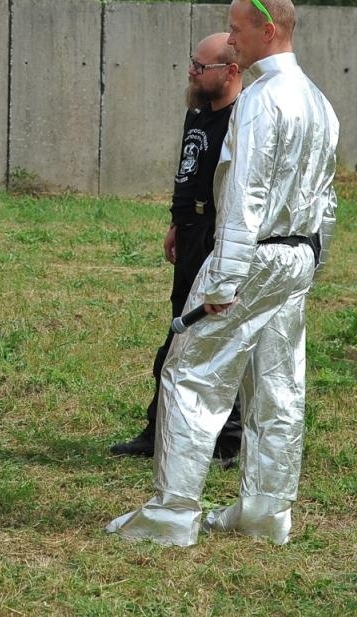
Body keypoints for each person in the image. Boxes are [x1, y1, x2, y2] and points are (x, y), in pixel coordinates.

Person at [107, 0, 338, 547]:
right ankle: (265, 513)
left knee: (189, 372)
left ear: (269, 30)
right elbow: (327, 196)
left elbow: (244, 194)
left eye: (236, 29)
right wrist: (315, 258)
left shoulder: (261, 99)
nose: (230, 40)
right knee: (277, 385)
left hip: (253, 256)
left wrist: (224, 278)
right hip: (296, 256)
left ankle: (172, 515)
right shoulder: (318, 102)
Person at [110, 33, 243, 465]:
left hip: (221, 236)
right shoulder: (197, 114)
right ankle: (159, 429)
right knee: (179, 327)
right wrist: (177, 222)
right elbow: (188, 171)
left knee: (219, 333)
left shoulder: (244, 120)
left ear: (230, 71)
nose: (192, 71)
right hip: (191, 230)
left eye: (201, 67)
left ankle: (229, 439)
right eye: (193, 62)